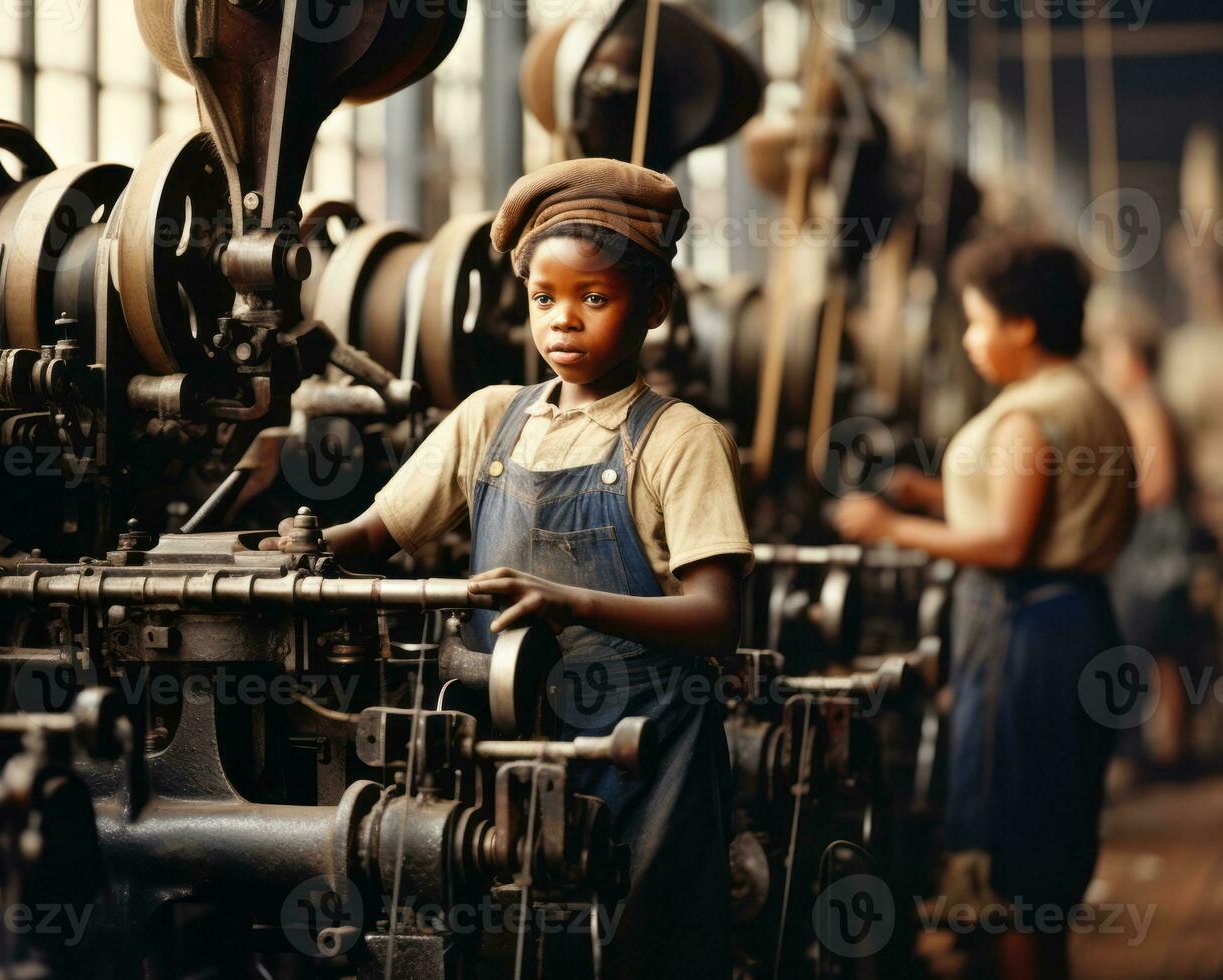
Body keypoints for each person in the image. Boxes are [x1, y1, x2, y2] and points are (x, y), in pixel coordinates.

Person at [265, 158, 752, 978]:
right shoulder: (490, 417)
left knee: (643, 951)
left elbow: (713, 617)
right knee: (510, 942)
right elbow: (377, 532)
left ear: (655, 306)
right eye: (544, 299)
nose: (564, 321)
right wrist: (301, 548)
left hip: (648, 754)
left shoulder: (679, 439)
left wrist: (569, 602)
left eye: (593, 299)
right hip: (505, 745)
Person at [833, 237, 1137, 979]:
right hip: (1073, 621)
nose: (969, 341)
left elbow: (1005, 541)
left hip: (1022, 635)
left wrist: (889, 526)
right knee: (1050, 838)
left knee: (1012, 855)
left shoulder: (1026, 416)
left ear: (1021, 327)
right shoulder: (1085, 397)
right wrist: (930, 493)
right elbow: (1035, 509)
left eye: (975, 322)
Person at [1086, 287, 1195, 773]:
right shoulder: (1144, 404)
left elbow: (1158, 486)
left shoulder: (1144, 407)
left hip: (1154, 551)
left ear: (1131, 356)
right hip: (1150, 549)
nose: (1106, 365)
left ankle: (1166, 756)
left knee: (1154, 647)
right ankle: (1165, 754)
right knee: (1157, 650)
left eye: (1110, 353)